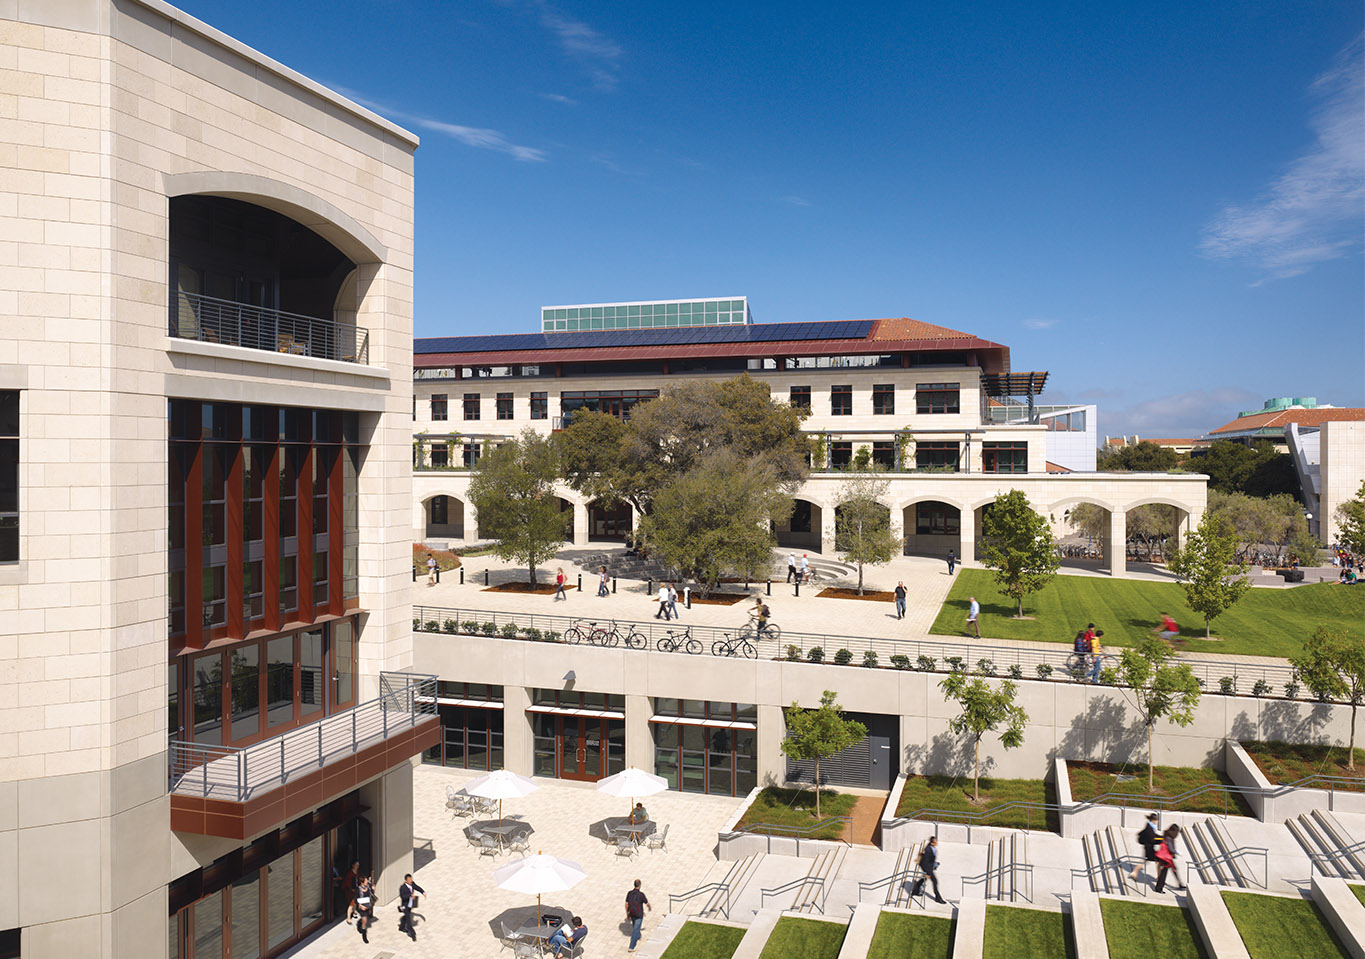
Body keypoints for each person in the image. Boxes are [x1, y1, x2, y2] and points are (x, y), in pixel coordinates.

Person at [910, 835, 946, 903]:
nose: (937, 842)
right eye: (935, 841)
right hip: (926, 867)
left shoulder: (931, 848)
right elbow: (925, 862)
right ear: (932, 843)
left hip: (928, 866)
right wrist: (928, 872)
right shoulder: (928, 850)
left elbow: (930, 859)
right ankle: (938, 898)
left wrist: (935, 863)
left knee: (924, 879)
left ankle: (915, 891)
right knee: (934, 881)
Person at [1154, 824, 1186, 893]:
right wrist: (1177, 852)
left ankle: (1179, 883)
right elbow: (1171, 849)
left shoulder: (1167, 836)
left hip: (1166, 857)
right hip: (1166, 858)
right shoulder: (1169, 838)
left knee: (1173, 870)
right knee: (1164, 873)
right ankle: (1159, 888)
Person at [1130, 813, 1159, 883]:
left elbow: (1153, 836)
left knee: (1145, 860)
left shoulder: (1149, 826)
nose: (1157, 821)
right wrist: (1161, 839)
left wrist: (1160, 837)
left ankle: (1134, 872)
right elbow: (1152, 838)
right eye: (1156, 820)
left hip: (1148, 847)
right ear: (1153, 820)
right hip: (1149, 848)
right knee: (1158, 861)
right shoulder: (1149, 827)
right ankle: (1159, 877)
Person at [397, 872, 426, 940]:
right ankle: (412, 934)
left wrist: (423, 892)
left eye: (411, 879)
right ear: (406, 880)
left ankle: (401, 927)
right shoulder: (402, 888)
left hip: (410, 904)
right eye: (409, 880)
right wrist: (410, 895)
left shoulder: (412, 884)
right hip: (405, 905)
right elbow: (402, 897)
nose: (410, 881)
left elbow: (417, 887)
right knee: (408, 920)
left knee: (407, 916)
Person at [625, 878, 651, 952]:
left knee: (635, 926)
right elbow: (647, 903)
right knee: (636, 930)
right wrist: (649, 908)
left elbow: (626, 904)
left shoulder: (629, 893)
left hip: (632, 914)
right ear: (639, 886)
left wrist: (627, 914)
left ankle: (638, 936)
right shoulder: (641, 895)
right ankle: (631, 947)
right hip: (639, 914)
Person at [350, 875, 374, 943]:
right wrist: (361, 906)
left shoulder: (368, 887)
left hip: (367, 905)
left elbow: (371, 893)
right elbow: (356, 900)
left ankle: (359, 924)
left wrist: (373, 889)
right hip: (361, 907)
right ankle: (364, 934)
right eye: (366, 881)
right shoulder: (358, 890)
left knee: (366, 917)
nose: (367, 882)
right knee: (365, 920)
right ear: (362, 882)